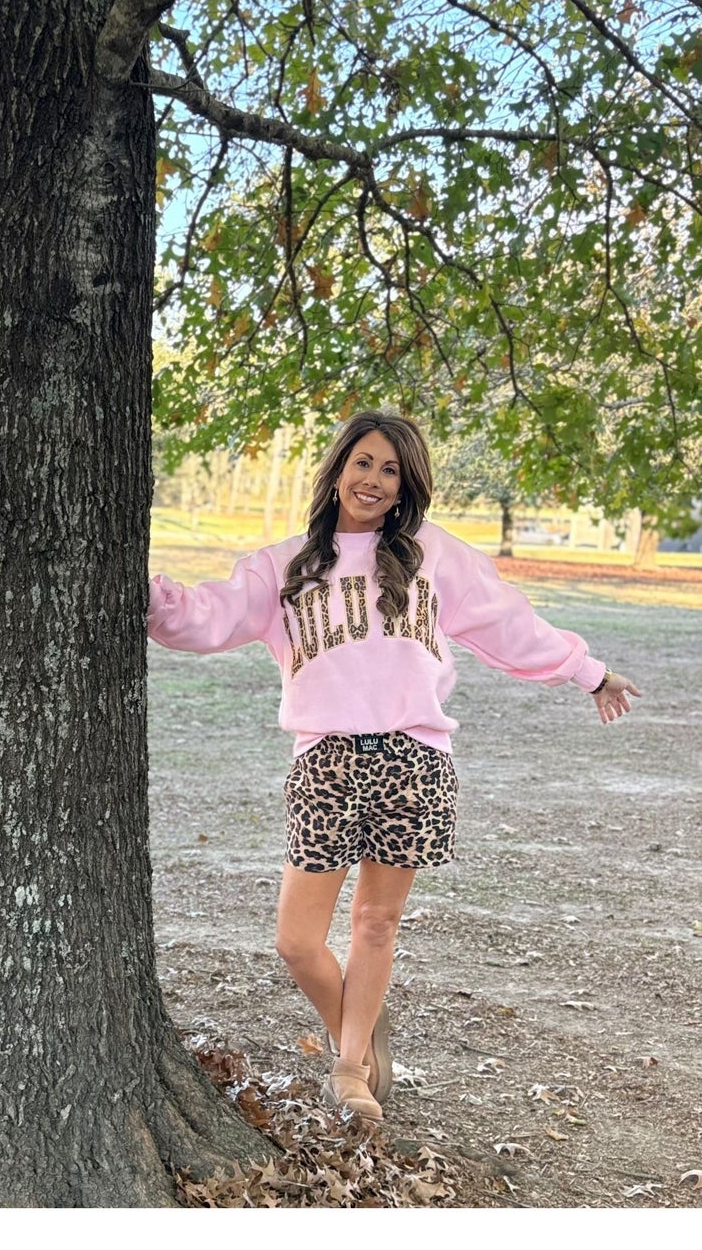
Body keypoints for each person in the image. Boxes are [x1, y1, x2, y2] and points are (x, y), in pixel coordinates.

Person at [147, 410, 640, 1125]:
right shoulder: (284, 566)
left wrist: (590, 673)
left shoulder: (432, 556)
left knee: (376, 922)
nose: (373, 480)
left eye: (390, 470)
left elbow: (509, 624)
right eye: (363, 463)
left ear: (405, 486)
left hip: (414, 759)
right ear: (337, 470)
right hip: (325, 760)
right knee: (297, 941)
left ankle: (350, 1067)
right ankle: (357, 1019)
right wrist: (148, 596)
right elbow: (205, 616)